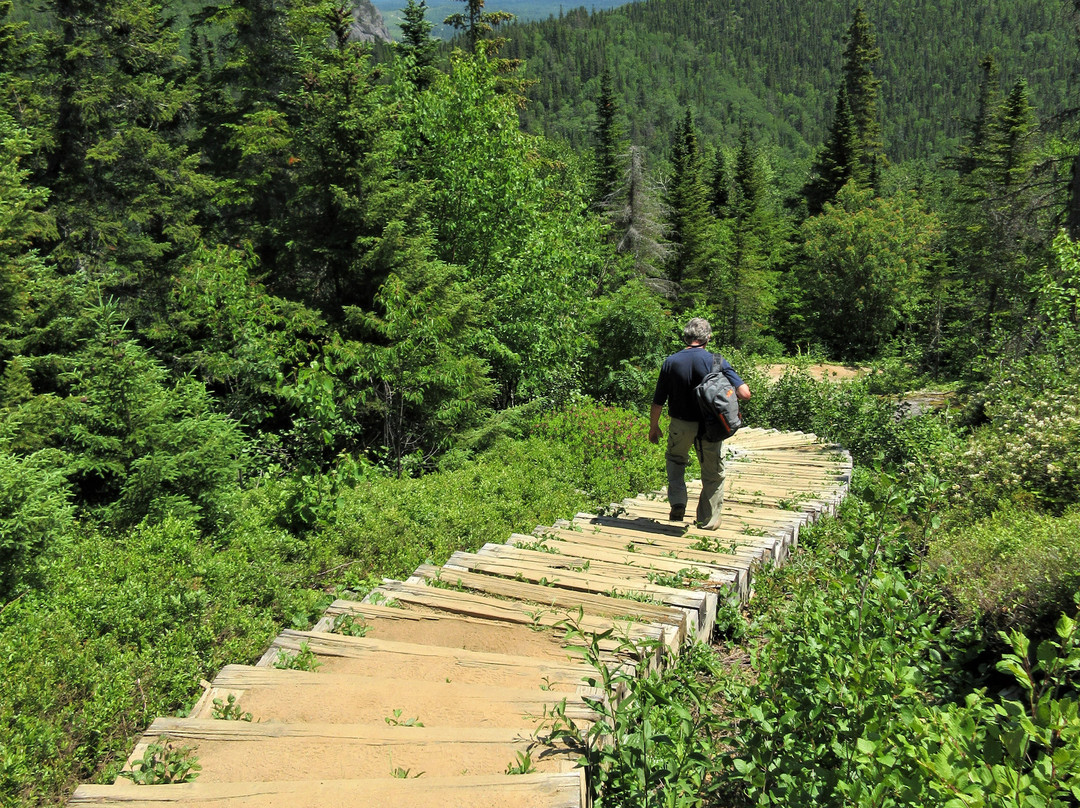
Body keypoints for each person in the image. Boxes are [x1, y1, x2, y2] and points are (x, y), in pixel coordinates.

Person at [648, 318, 751, 529]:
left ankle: (678, 502)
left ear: (685, 337)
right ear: (708, 338)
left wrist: (654, 426)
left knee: (676, 460)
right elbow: (744, 393)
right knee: (713, 473)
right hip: (711, 426)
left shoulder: (671, 361)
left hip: (680, 424)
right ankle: (708, 521)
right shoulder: (716, 360)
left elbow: (658, 399)